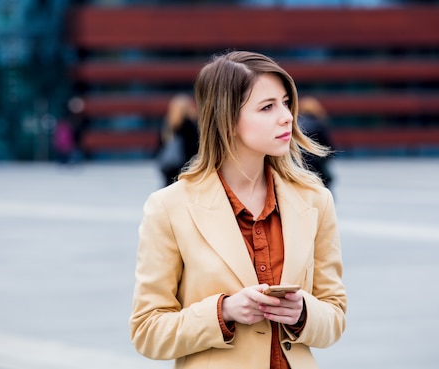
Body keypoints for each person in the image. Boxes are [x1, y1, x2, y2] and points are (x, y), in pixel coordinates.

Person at [130, 51, 347, 369]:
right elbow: (147, 331)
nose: (287, 116)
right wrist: (224, 312)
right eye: (267, 107)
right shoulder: (169, 208)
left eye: (286, 102)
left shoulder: (315, 200)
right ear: (227, 119)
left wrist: (304, 313)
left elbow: (335, 316)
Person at [156, 93, 200, 186]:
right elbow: (195, 148)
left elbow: (160, 146)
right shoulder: (191, 125)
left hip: (169, 167)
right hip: (186, 167)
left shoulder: (167, 125)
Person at [297, 96, 335, 189]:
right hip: (317, 166)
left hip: (299, 166)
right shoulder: (319, 125)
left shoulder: (295, 124)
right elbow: (329, 148)